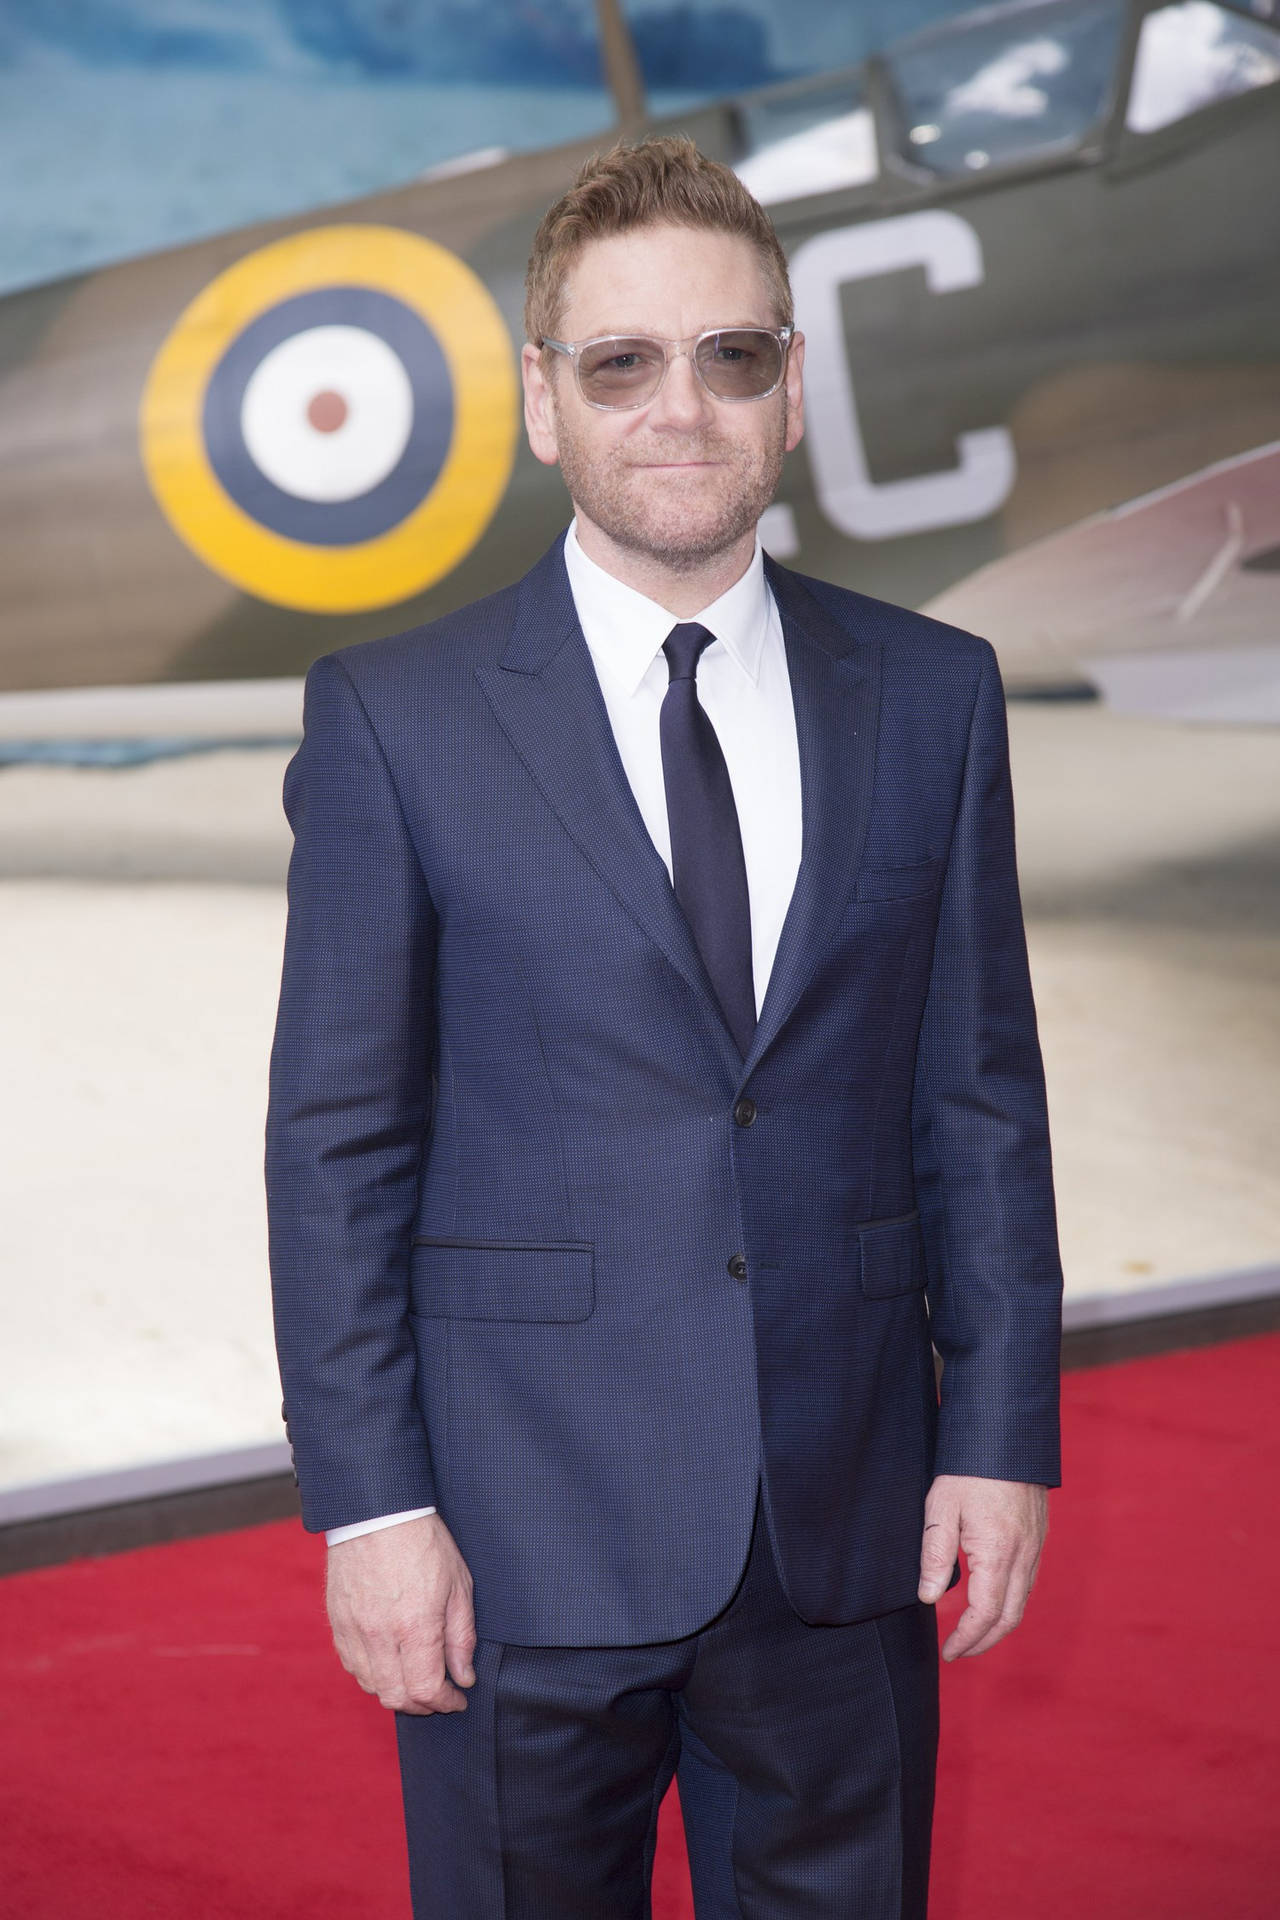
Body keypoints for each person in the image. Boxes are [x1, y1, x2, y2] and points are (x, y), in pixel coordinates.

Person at [265, 135, 1062, 1920]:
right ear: (544, 403)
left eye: (732, 356)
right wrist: (372, 1508)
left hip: (842, 1526)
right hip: (511, 1537)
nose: (679, 408)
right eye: (619, 363)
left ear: (791, 387)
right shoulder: (396, 721)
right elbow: (337, 1140)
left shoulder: (935, 697)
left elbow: (979, 1098)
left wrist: (998, 1431)